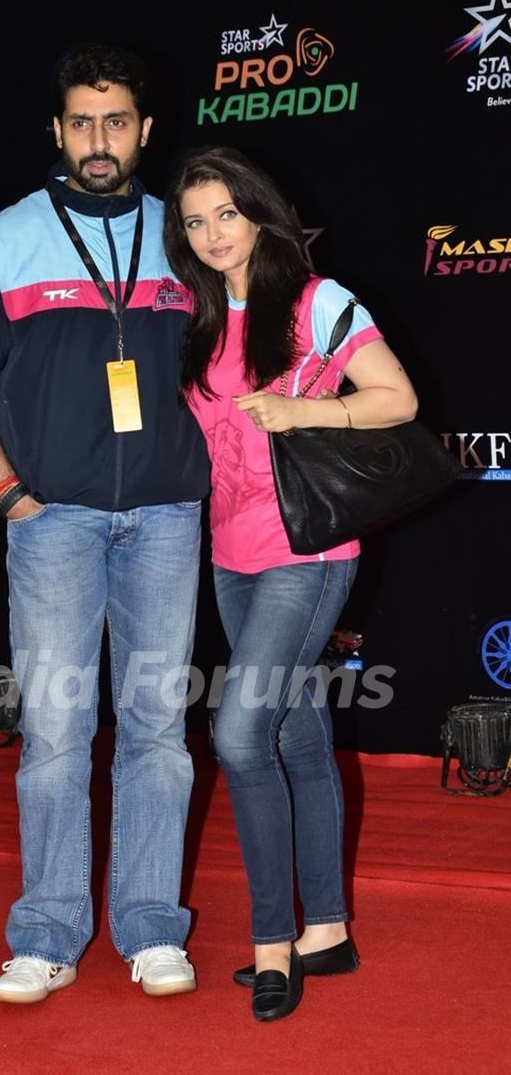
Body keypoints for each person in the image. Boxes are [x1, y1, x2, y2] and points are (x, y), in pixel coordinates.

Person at [0, 44, 209, 1004]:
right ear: (57, 131)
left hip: (168, 515)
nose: (100, 140)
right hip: (52, 520)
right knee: (53, 729)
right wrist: (11, 492)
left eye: (117, 121)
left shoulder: (185, 236)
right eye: (82, 122)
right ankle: (47, 930)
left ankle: (150, 928)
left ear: (143, 129)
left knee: (159, 729)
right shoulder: (6, 239)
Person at [163, 146, 418, 1022]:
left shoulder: (316, 300)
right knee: (300, 740)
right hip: (230, 556)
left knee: (239, 737)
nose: (212, 234)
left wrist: (308, 408)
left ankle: (273, 941)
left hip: (305, 558)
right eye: (195, 221)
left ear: (261, 212)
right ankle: (329, 930)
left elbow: (397, 398)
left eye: (226, 213)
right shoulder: (200, 320)